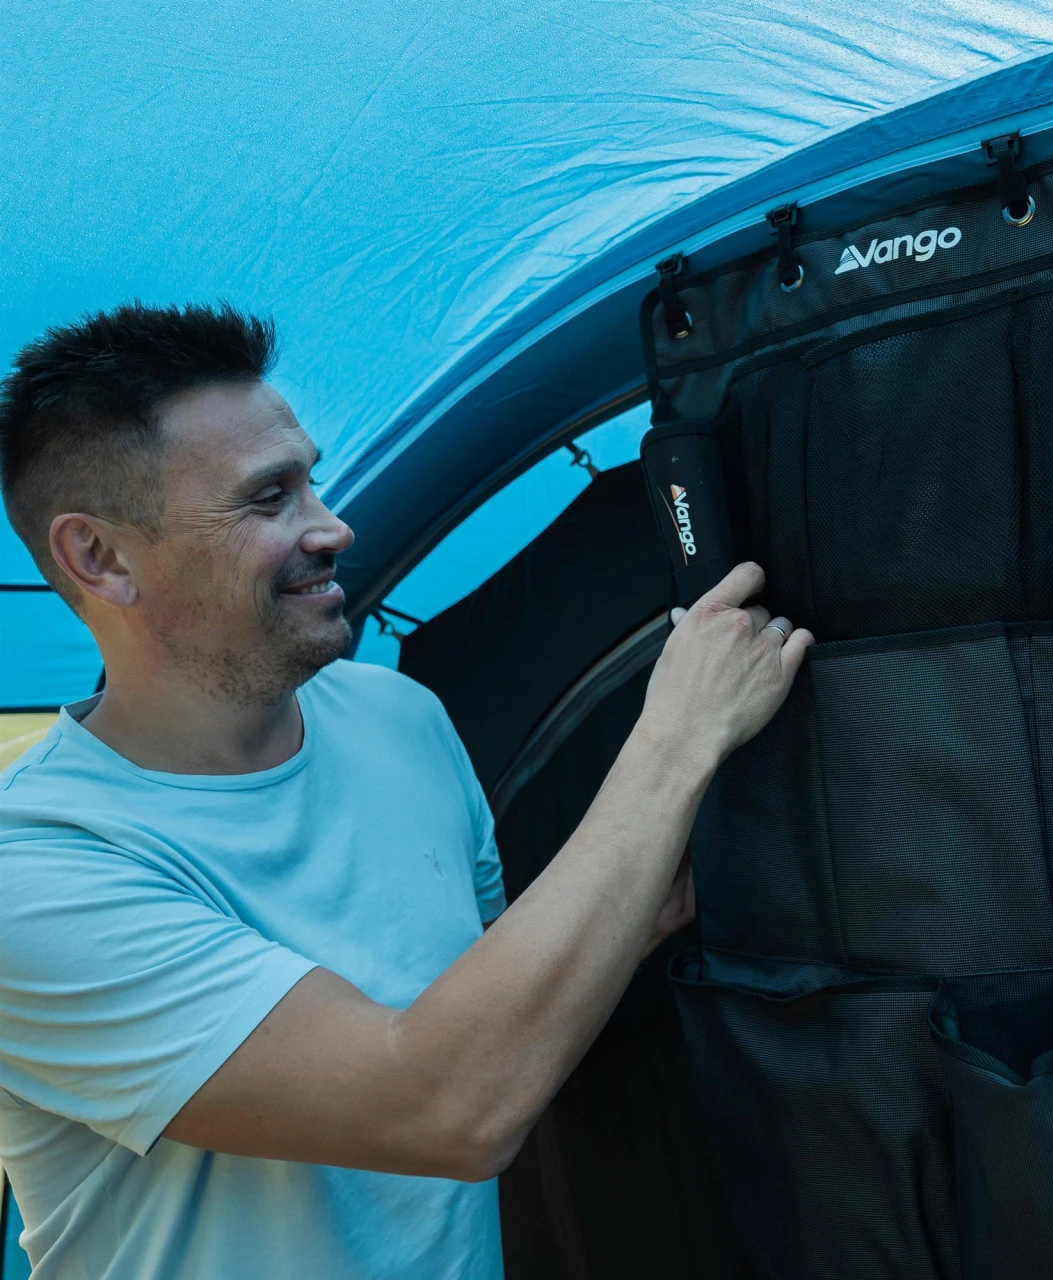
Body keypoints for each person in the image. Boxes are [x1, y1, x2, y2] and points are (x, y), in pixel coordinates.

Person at [0, 302, 813, 1280]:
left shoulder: (396, 716)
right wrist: (675, 737)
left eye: (312, 480)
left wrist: (645, 900)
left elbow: (476, 996)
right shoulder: (37, 876)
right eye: (268, 499)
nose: (332, 526)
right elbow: (449, 1104)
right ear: (101, 557)